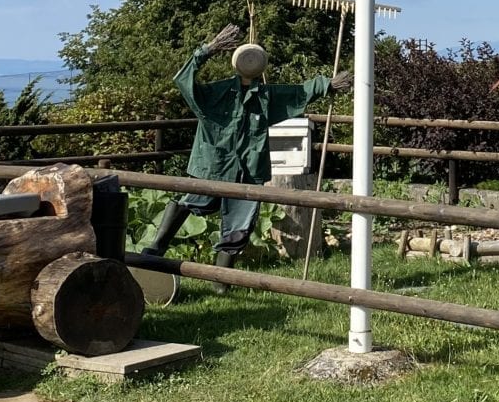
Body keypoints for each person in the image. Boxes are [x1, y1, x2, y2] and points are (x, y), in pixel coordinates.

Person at [138, 23, 350, 270]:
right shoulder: (215, 93)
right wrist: (207, 50)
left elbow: (299, 92)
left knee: (238, 227)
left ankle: (222, 280)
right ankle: (155, 249)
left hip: (247, 172)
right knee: (189, 202)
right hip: (212, 168)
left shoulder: (267, 97)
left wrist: (327, 85)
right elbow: (184, 80)